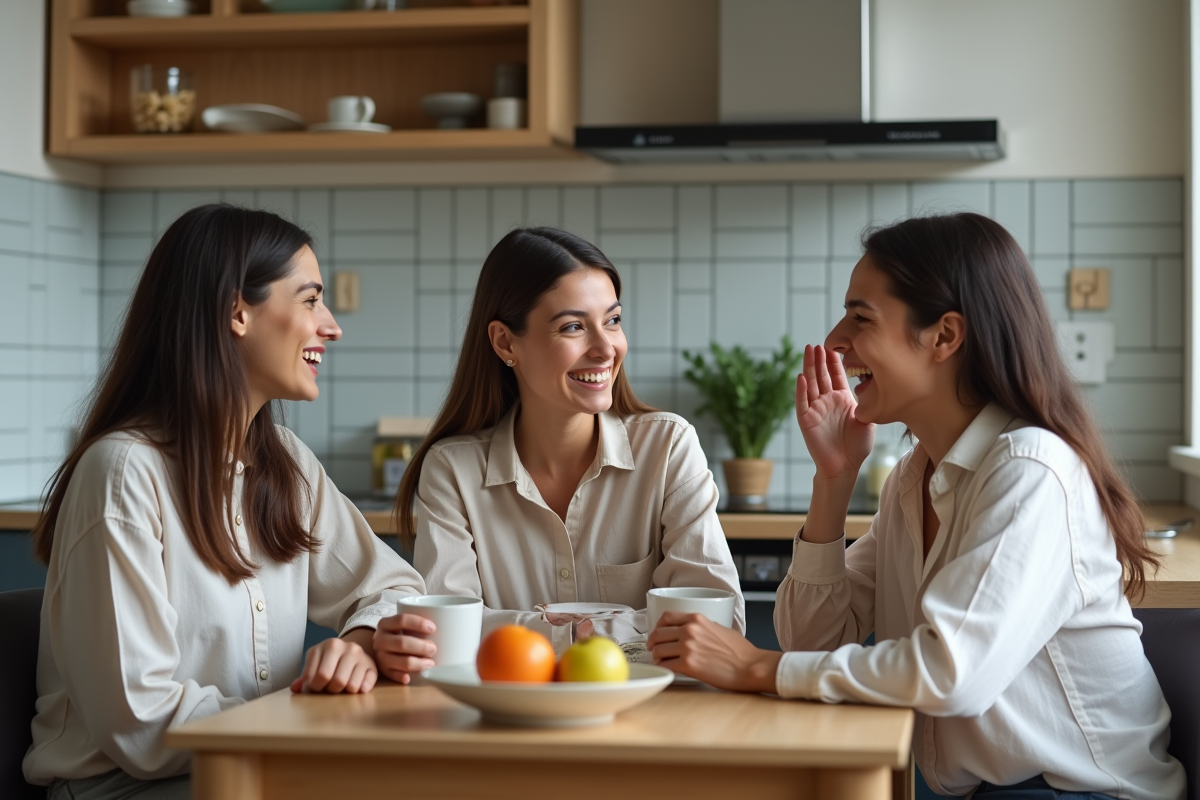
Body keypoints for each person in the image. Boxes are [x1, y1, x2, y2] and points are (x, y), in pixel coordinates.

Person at [647, 213, 1185, 800]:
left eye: (861, 317)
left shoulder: (1030, 470)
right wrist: (834, 479)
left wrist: (755, 667)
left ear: (944, 336)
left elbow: (953, 674)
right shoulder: (915, 476)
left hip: (1084, 794)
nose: (834, 342)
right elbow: (812, 643)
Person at [24, 204, 438, 800]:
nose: (331, 326)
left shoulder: (285, 461)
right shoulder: (123, 473)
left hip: (258, 767)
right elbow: (143, 724)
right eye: (310, 300)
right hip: (124, 788)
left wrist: (362, 641)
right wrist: (306, 713)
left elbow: (397, 588)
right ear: (236, 312)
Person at [401, 226, 744, 652]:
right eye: (573, 327)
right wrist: (620, 627)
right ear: (505, 342)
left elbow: (717, 624)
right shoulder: (453, 468)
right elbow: (445, 636)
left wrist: (551, 631)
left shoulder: (668, 447)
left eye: (612, 321)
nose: (606, 349)